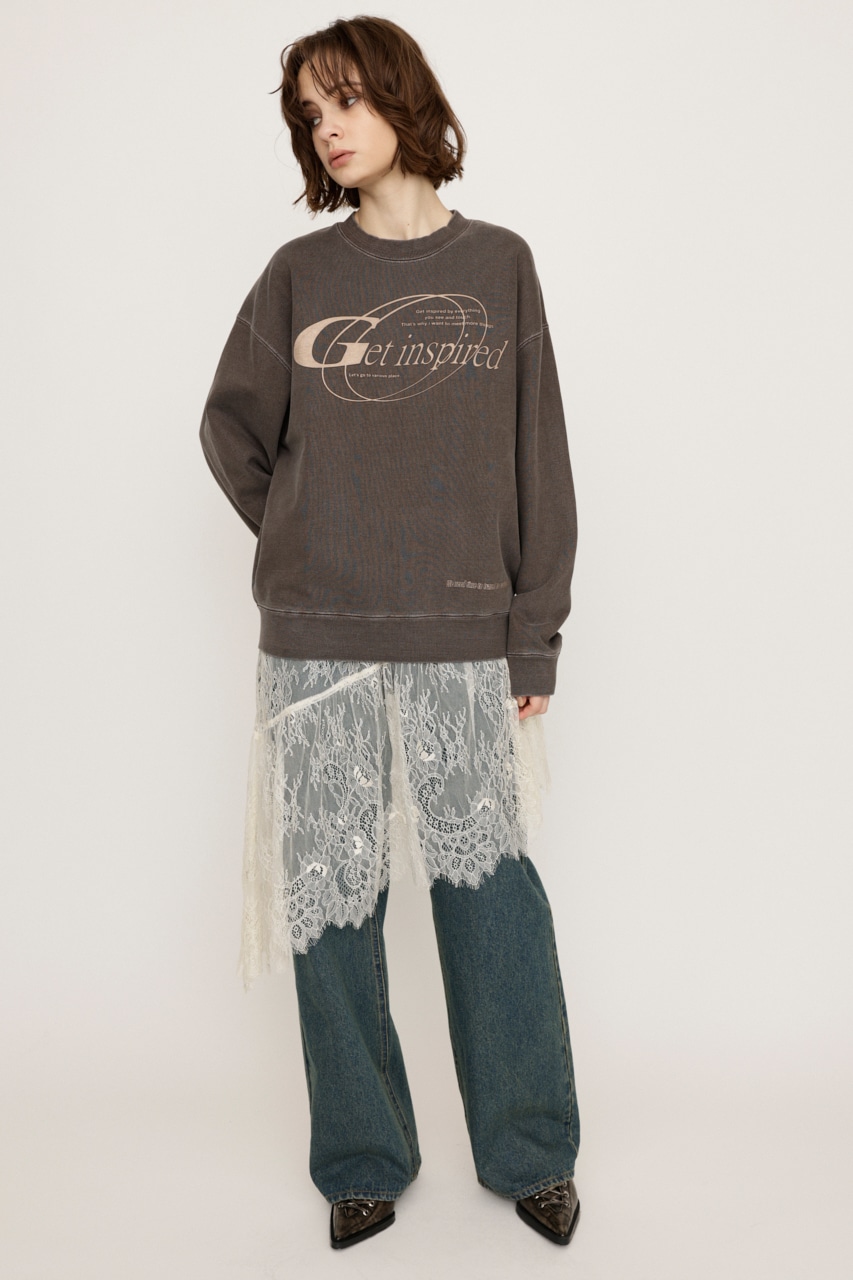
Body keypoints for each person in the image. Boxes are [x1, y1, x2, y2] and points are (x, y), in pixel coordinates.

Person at [199, 14, 581, 1250]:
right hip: (315, 643)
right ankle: (363, 1158)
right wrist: (302, 532)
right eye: (311, 113)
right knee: (330, 903)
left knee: (491, 899)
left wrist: (533, 632)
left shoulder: (500, 266)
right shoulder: (298, 277)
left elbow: (538, 458)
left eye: (348, 100)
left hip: (464, 633)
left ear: (404, 100)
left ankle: (530, 1149)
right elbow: (230, 428)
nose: (329, 128)